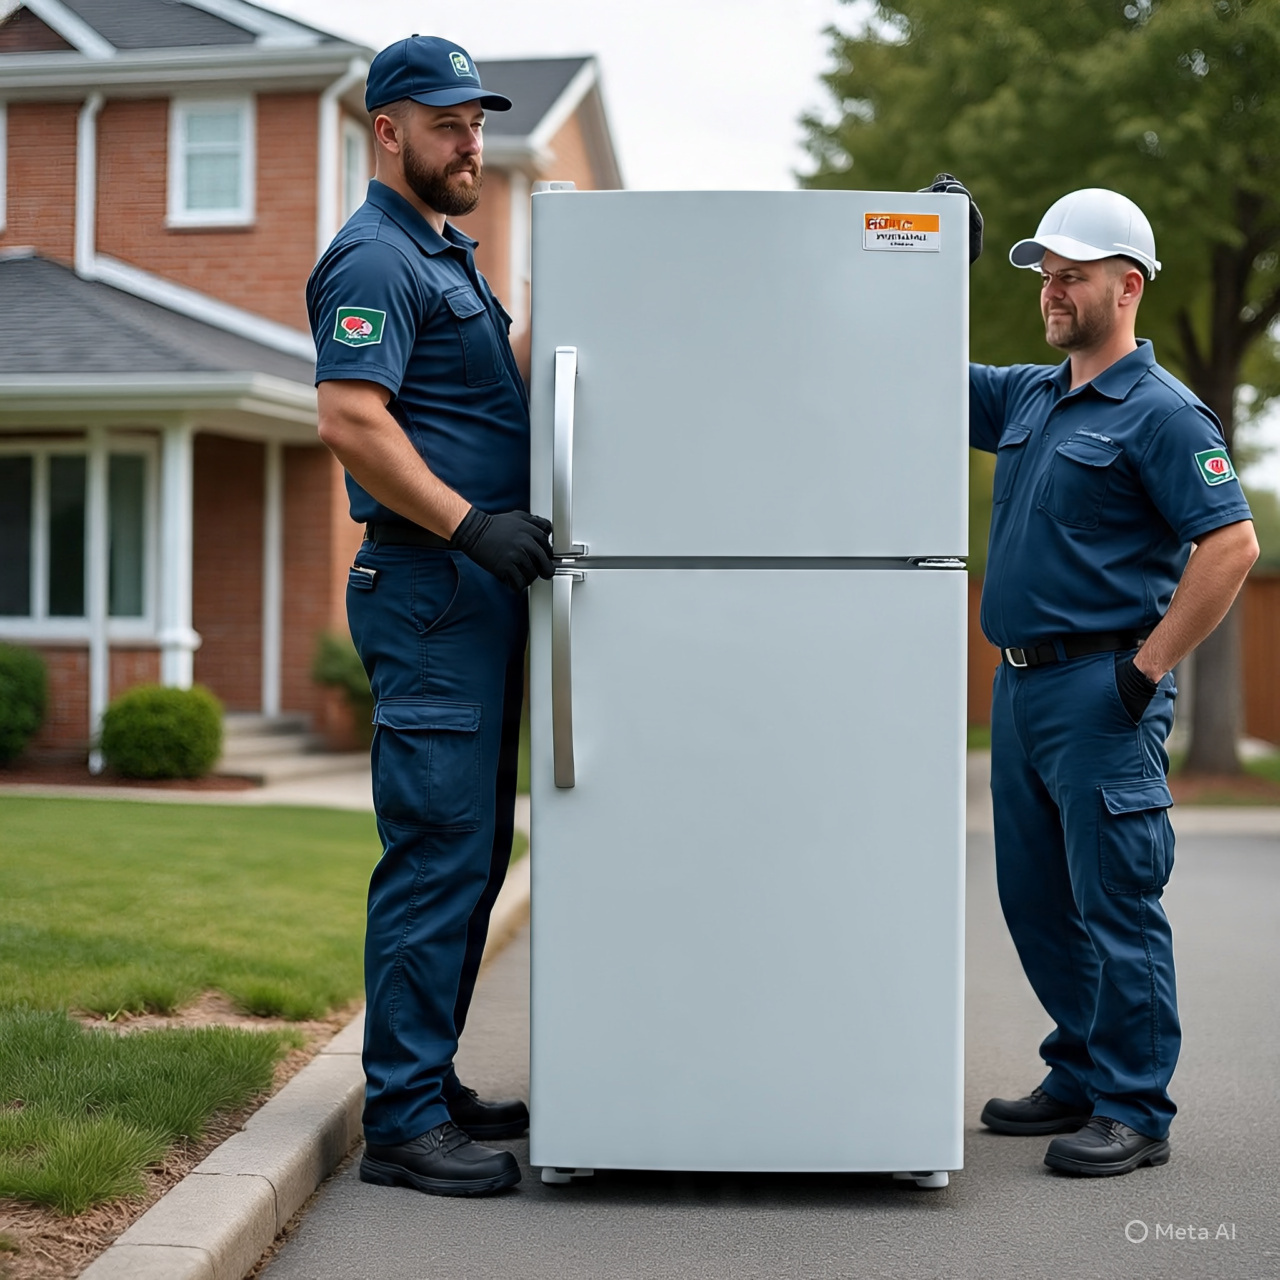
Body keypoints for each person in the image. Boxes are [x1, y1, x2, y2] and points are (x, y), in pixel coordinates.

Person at [306, 35, 554, 1197]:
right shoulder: (371, 257)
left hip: (474, 590)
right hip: (431, 586)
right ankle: (402, 1118)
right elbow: (353, 420)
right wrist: (470, 524)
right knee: (436, 852)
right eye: (448, 123)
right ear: (387, 132)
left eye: (478, 121)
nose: (472, 141)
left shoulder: (445, 256)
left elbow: (476, 388)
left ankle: (428, 1074)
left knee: (471, 853)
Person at [970, 188, 1258, 1177]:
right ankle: (1083, 1063)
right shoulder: (1029, 394)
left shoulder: (1164, 414)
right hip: (1019, 689)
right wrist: (924, 262)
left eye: (1071, 273)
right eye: (1043, 271)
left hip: (1100, 691)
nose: (1049, 288)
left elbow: (1230, 544)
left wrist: (1142, 672)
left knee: (1116, 900)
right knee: (1034, 897)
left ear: (1124, 286)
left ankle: (1134, 1107)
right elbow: (912, 372)